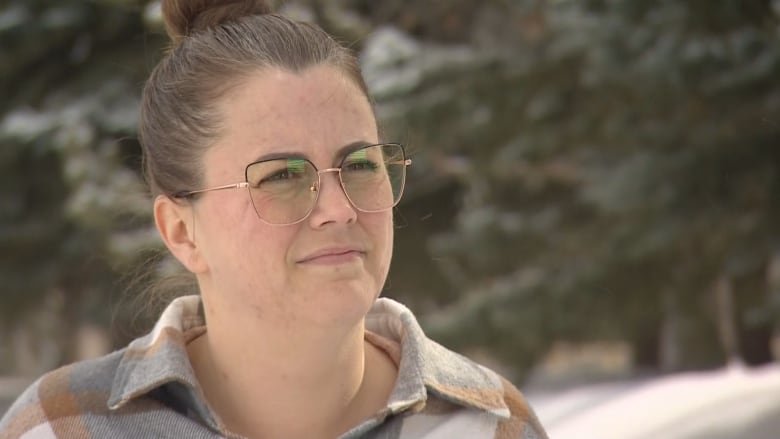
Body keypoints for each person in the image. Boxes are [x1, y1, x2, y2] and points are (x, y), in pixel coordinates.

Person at [0, 1, 548, 438]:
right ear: (182, 232)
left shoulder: (491, 426)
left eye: (359, 164)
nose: (339, 209)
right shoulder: (62, 426)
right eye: (282, 176)